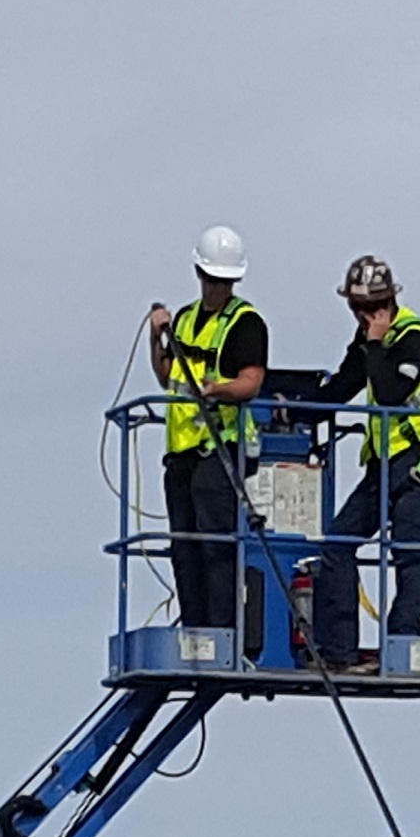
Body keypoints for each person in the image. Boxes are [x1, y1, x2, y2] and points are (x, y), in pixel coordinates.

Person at [307, 255, 420, 671]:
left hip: (416, 462)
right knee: (337, 544)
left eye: (374, 307)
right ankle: (339, 652)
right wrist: (293, 409)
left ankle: (400, 647)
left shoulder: (417, 340)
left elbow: (389, 394)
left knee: (408, 554)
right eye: (358, 309)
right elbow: (343, 387)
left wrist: (373, 343)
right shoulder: (367, 342)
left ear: (390, 302)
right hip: (383, 467)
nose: (368, 316)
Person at [146, 226, 268, 634]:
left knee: (216, 543)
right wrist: (156, 337)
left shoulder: (246, 324)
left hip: (221, 446)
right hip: (182, 450)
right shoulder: (185, 320)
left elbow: (251, 382)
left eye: (224, 281)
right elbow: (167, 377)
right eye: (211, 278)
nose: (216, 287)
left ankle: (221, 630)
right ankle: (195, 627)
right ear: (199, 274)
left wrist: (219, 389)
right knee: (185, 544)